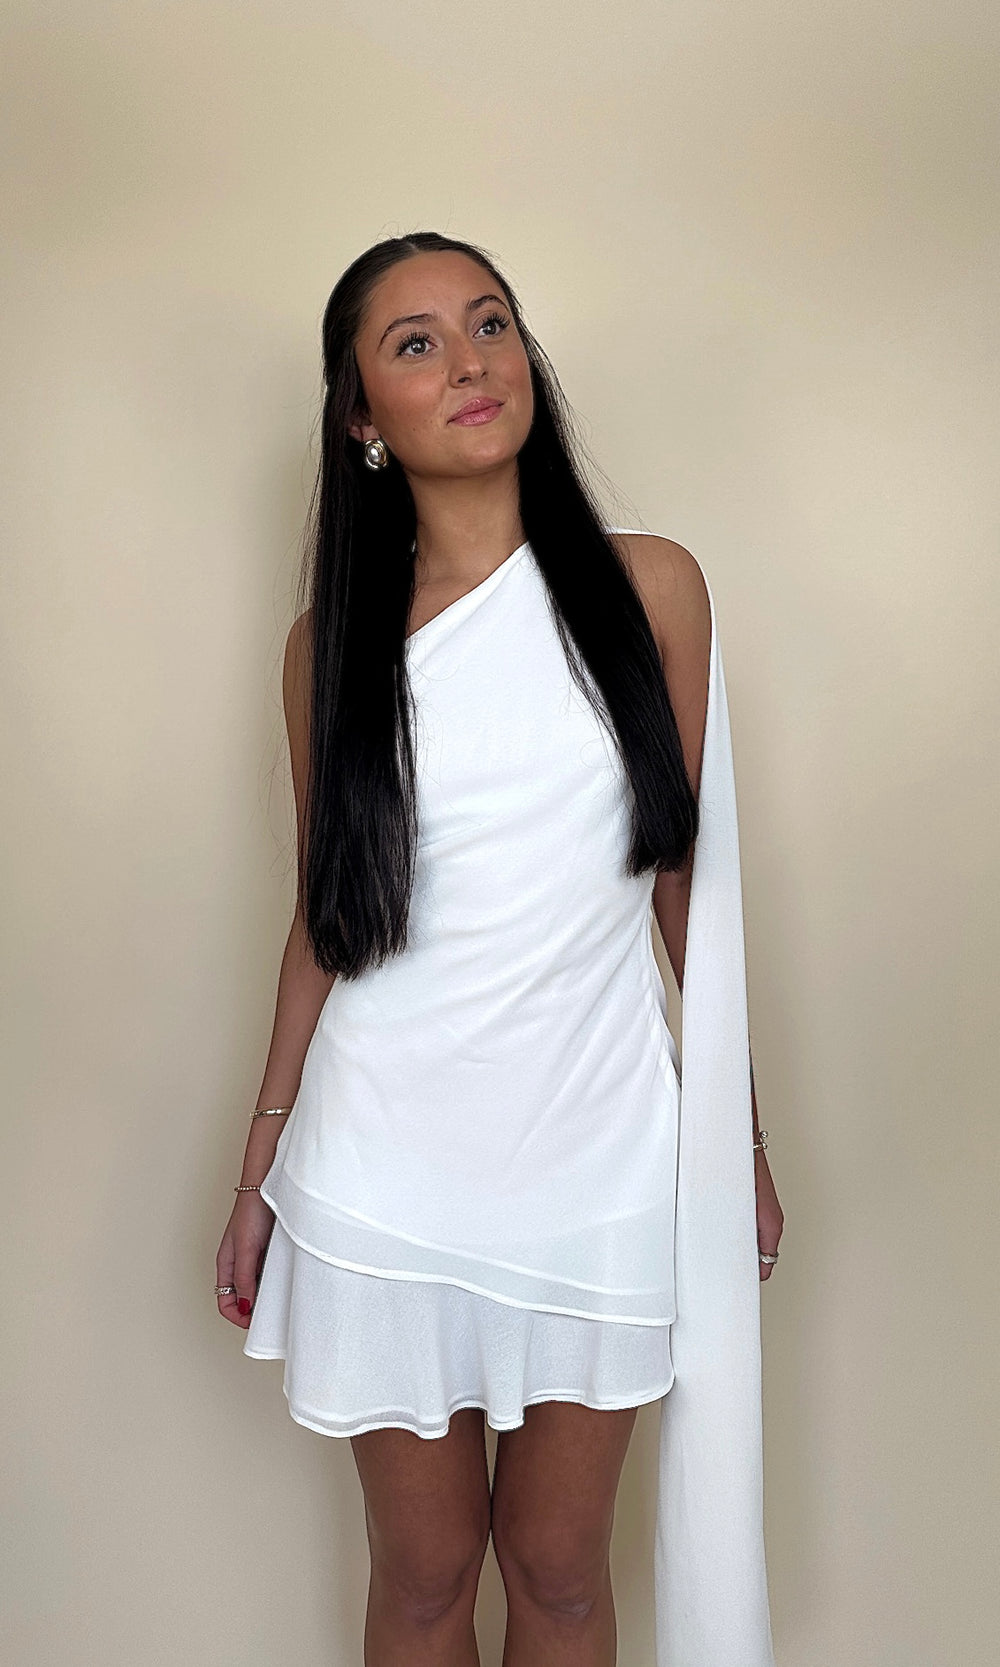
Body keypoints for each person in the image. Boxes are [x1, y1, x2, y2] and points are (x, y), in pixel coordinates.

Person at [215, 231, 784, 1666]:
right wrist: (259, 1167)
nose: (469, 362)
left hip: (598, 1155)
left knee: (562, 1573)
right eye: (415, 344)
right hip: (383, 1162)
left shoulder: (653, 588)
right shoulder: (328, 648)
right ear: (361, 414)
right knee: (421, 1580)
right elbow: (327, 914)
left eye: (490, 324)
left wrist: (738, 1141)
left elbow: (686, 883)